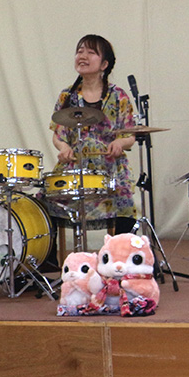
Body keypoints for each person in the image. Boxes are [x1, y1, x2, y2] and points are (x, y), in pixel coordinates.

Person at [49, 34, 137, 233]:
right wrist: (63, 147)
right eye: (80, 51)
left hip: (110, 169)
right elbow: (58, 135)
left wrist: (119, 143)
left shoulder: (119, 95)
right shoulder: (67, 96)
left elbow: (130, 135)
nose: (82, 56)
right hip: (75, 167)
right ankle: (50, 253)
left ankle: (121, 251)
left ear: (104, 64)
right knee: (47, 203)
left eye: (90, 52)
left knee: (124, 205)